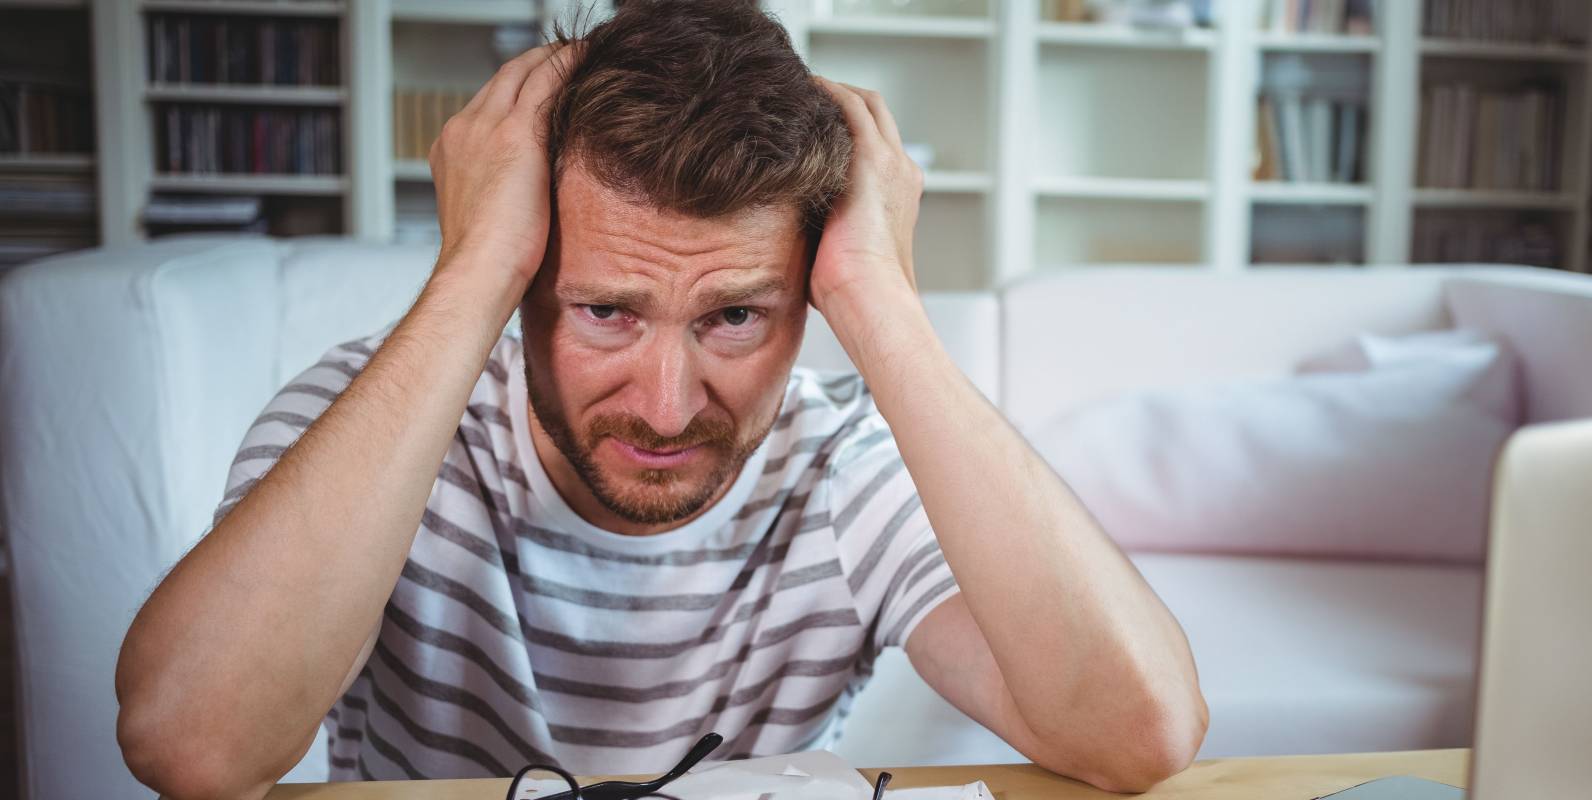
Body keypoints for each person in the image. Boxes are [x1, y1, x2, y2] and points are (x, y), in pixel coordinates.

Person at [115, 2, 1206, 797]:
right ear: (526, 269)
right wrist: (469, 273)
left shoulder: (840, 465)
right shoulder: (369, 418)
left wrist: (884, 301)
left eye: (736, 315)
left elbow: (1138, 730)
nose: (669, 405)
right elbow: (191, 744)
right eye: (606, 311)